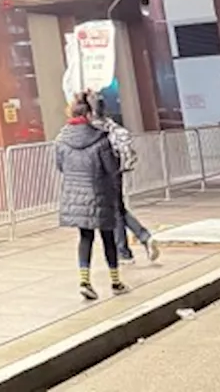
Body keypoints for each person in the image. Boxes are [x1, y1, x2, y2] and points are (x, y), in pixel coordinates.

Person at [56, 93, 129, 300]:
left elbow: (60, 166)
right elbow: (111, 168)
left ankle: (85, 280)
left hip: (76, 196)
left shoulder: (61, 141)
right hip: (100, 192)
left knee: (85, 238)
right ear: (88, 114)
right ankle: (115, 281)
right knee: (108, 238)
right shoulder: (100, 138)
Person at [88, 98, 160, 264]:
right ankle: (140, 240)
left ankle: (126, 250)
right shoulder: (113, 127)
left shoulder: (92, 130)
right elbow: (128, 150)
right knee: (118, 209)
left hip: (101, 174)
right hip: (117, 173)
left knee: (113, 212)